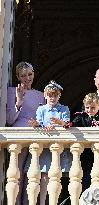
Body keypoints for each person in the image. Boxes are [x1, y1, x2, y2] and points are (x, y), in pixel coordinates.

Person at [26, 80, 72, 205]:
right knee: (44, 176)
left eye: (55, 95)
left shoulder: (64, 109)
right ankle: (41, 202)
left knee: (57, 175)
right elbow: (40, 123)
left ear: (59, 96)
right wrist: (37, 125)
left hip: (58, 146)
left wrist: (58, 123)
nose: (52, 98)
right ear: (45, 96)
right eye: (50, 95)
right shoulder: (41, 109)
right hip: (45, 148)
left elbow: (67, 124)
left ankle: (55, 202)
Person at [6, 61, 44, 205]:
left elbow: (43, 118)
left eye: (29, 74)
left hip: (37, 135)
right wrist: (19, 102)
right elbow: (9, 120)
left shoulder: (41, 95)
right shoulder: (11, 91)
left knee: (33, 174)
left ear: (33, 74)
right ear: (17, 76)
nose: (27, 78)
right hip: (19, 134)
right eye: (23, 76)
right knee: (17, 174)